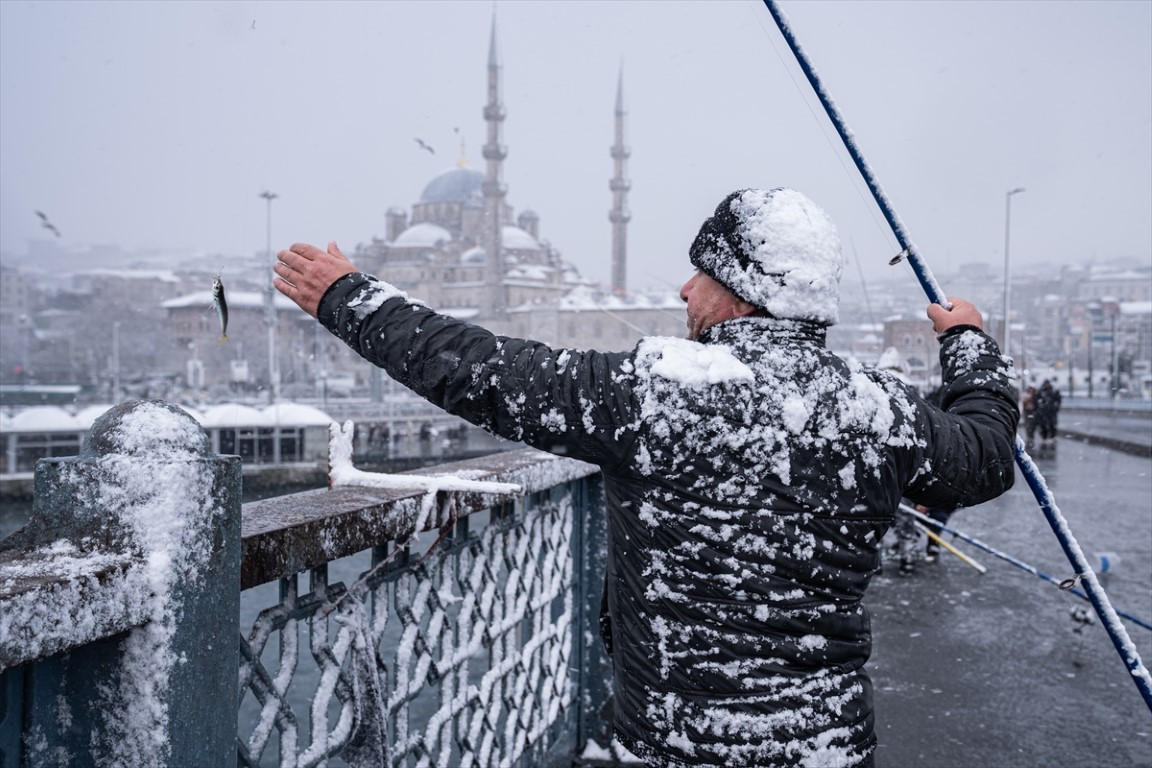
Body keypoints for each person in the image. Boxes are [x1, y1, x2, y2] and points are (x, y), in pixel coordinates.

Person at [273, 187, 1019, 768]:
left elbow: (482, 372)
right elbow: (984, 454)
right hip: (826, 742)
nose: (685, 292)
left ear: (741, 291)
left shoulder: (656, 393)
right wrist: (966, 342)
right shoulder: (876, 406)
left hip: (676, 741)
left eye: (702, 275)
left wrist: (347, 297)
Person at [1036, 379, 1062, 450]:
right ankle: (1045, 438)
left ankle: (1052, 437)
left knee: (1052, 425)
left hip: (1051, 412)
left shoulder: (1053, 392)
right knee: (1043, 426)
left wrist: (1056, 407)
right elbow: (1036, 399)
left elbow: (1058, 399)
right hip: (1043, 412)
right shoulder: (1041, 392)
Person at [1022, 384, 1038, 449]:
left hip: (1033, 413)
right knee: (1028, 426)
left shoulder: (1035, 396)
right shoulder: (1026, 396)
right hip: (1027, 413)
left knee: (1032, 426)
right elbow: (1023, 404)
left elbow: (1037, 405)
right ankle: (1029, 437)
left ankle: (1031, 437)